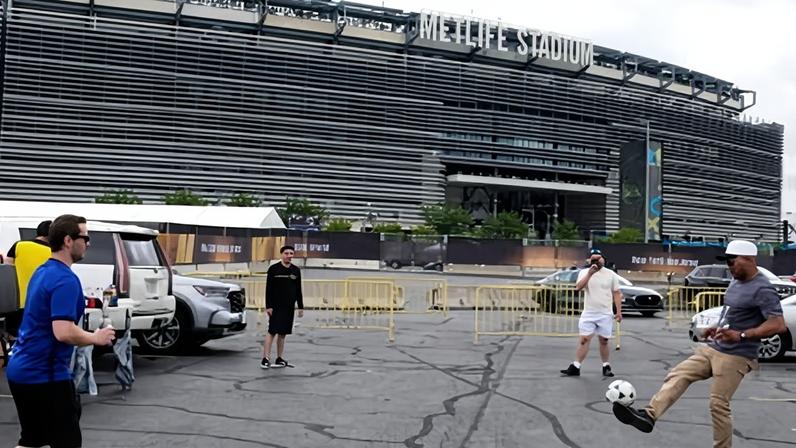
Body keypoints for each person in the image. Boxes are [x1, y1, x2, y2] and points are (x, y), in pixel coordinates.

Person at [612, 240, 785, 448]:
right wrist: (716, 328)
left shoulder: (763, 288)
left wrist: (741, 335)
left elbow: (778, 324)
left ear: (748, 259)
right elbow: (733, 312)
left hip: (738, 355)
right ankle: (649, 416)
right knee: (679, 373)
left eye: (731, 261)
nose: (729, 267)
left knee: (718, 404)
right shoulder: (735, 281)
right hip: (715, 347)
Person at [5, 214, 116, 448]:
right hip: (44, 375)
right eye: (85, 237)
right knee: (67, 442)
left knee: (33, 440)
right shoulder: (65, 279)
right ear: (68, 240)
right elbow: (63, 332)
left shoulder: (43, 271)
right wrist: (96, 338)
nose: (88, 242)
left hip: (21, 369)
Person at [560, 248, 622, 377]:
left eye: (599, 258)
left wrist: (618, 312)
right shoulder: (584, 272)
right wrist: (590, 273)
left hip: (605, 312)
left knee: (604, 340)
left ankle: (606, 365)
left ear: (603, 260)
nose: (597, 261)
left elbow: (616, 293)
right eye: (594, 259)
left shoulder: (611, 274)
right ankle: (576, 366)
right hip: (589, 312)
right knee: (584, 339)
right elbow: (578, 287)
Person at [260, 245, 304, 369]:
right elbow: (268, 289)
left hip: (289, 306)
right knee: (272, 331)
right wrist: (269, 306)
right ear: (281, 254)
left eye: (291, 253)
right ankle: (265, 358)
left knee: (283, 333)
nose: (289, 256)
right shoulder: (273, 269)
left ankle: (279, 358)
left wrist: (300, 306)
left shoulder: (296, 270)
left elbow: (298, 289)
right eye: (287, 253)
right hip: (276, 306)